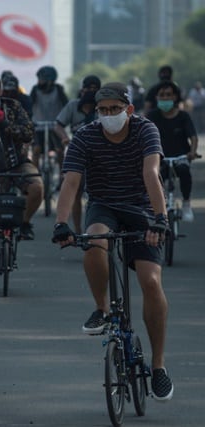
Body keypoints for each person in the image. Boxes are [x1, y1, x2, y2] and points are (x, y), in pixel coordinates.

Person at [52, 82, 174, 401]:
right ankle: (102, 308)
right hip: (104, 205)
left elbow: (152, 173)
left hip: (142, 206)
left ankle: (158, 365)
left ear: (128, 109)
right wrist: (61, 222)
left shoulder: (146, 130)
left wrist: (159, 219)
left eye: (114, 109)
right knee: (94, 241)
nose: (108, 115)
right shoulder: (85, 135)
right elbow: (71, 181)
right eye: (102, 110)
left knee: (150, 280)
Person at [0, 72, 42, 282]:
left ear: (0, 90)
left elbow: (29, 133)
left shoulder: (13, 106)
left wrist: (5, 125)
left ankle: (23, 224)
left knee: (38, 187)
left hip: (19, 164)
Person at [54, 75, 102, 233]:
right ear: (82, 90)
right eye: (88, 88)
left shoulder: (102, 107)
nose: (91, 92)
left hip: (100, 154)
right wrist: (65, 138)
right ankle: (78, 230)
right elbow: (58, 125)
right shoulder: (73, 106)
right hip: (78, 153)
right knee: (75, 191)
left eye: (95, 89)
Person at [146, 80, 199, 222]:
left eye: (168, 95)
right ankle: (156, 208)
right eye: (161, 95)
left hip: (181, 156)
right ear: (156, 97)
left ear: (175, 97)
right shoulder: (151, 116)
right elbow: (142, 135)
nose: (165, 98)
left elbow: (193, 137)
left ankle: (186, 204)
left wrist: (192, 152)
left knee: (184, 172)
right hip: (159, 158)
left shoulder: (183, 116)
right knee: (154, 178)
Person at [30, 65, 68, 171]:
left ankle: (62, 174)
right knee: (36, 150)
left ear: (49, 80)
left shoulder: (59, 90)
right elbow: (29, 105)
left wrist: (63, 120)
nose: (39, 81)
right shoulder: (35, 90)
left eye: (41, 79)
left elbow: (66, 106)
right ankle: (34, 175)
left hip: (55, 126)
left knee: (59, 150)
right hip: (38, 126)